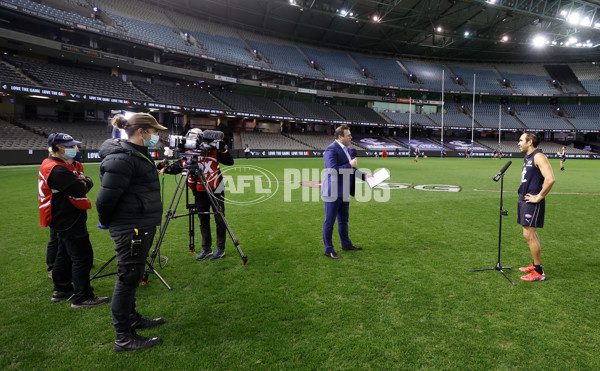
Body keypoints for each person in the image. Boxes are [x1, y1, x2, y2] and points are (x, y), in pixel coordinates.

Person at [96, 113, 167, 352]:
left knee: (134, 275)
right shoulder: (123, 158)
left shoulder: (134, 155)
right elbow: (105, 199)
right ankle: (123, 336)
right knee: (127, 278)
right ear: (141, 132)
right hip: (131, 227)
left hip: (138, 223)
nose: (156, 136)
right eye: (154, 131)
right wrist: (109, 222)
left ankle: (132, 318)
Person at [38, 133, 109, 308]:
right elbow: (79, 189)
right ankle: (83, 296)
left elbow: (80, 184)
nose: (74, 149)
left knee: (63, 254)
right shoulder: (58, 169)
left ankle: (61, 289)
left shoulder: (56, 166)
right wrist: (86, 182)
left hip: (63, 217)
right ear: (56, 149)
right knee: (82, 256)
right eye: (68, 146)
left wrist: (84, 181)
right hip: (67, 217)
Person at [165, 128, 234, 261]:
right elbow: (179, 167)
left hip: (216, 186)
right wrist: (164, 167)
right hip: (199, 187)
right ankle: (206, 248)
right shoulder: (187, 152)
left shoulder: (213, 149)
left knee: (220, 219)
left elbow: (230, 161)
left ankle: (221, 248)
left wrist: (223, 149)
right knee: (203, 219)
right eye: (192, 138)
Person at [321, 125, 371, 259]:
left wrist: (365, 176)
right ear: (340, 137)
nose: (351, 137)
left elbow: (352, 170)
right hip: (332, 191)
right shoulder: (331, 149)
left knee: (343, 220)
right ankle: (329, 249)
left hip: (343, 191)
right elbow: (332, 170)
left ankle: (346, 244)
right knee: (330, 221)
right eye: (348, 135)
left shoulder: (347, 149)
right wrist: (350, 165)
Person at [516, 133, 556, 281]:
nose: (518, 143)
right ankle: (535, 265)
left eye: (521, 140)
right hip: (524, 199)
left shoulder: (538, 156)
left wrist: (539, 197)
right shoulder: (528, 156)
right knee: (527, 233)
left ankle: (539, 272)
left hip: (532, 200)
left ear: (530, 142)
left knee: (529, 234)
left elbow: (550, 179)